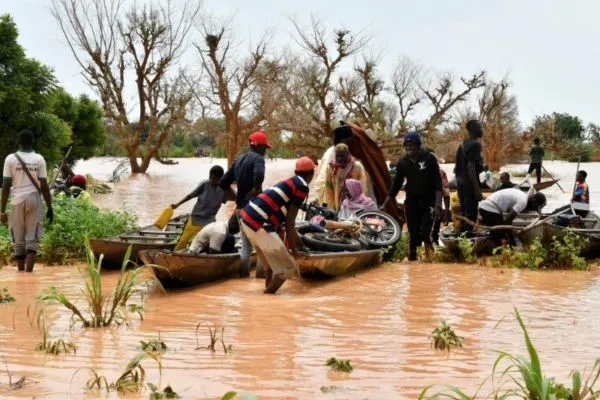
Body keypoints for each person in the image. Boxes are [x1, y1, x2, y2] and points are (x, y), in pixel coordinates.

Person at [240, 157, 315, 294]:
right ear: (312, 174)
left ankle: (266, 307)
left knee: (270, 268)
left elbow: (287, 222)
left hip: (246, 219)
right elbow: (290, 222)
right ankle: (267, 297)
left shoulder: (290, 182)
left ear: (296, 171)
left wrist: (299, 244)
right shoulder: (302, 186)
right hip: (260, 223)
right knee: (287, 268)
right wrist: (294, 250)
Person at [314, 121, 404, 223]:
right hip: (337, 200)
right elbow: (327, 185)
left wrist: (361, 201)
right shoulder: (332, 158)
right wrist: (332, 205)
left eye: (351, 140)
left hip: (358, 203)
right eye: (348, 141)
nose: (351, 143)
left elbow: (364, 186)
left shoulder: (357, 163)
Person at [382, 132, 442, 261]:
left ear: (418, 146)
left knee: (426, 234)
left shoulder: (429, 158)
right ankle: (412, 264)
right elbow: (396, 186)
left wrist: (438, 205)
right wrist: (385, 204)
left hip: (428, 203)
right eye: (407, 146)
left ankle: (431, 262)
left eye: (412, 145)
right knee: (413, 235)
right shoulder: (402, 163)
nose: (409, 148)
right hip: (411, 203)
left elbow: (438, 183)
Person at [0, 130, 53, 272]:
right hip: (34, 199)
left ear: (18, 141)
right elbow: (44, 186)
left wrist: (2, 210)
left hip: (16, 201)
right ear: (33, 142)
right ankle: (29, 275)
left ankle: (21, 275)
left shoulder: (10, 159)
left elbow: (6, 186)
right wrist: (50, 207)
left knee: (18, 241)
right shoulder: (39, 159)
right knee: (32, 240)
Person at [220, 131, 271, 277]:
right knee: (262, 244)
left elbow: (223, 183)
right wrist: (256, 191)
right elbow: (259, 175)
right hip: (255, 208)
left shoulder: (239, 160)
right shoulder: (259, 158)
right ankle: (261, 279)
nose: (266, 150)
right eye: (265, 147)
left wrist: (237, 197)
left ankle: (243, 278)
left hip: (241, 208)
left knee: (245, 247)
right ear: (259, 146)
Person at [171, 165, 226, 251]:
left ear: (220, 178)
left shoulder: (224, 189)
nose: (211, 180)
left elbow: (235, 198)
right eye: (210, 177)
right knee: (183, 240)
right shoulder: (205, 184)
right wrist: (177, 204)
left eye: (214, 178)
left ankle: (202, 257)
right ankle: (176, 254)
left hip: (210, 221)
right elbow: (190, 196)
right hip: (196, 218)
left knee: (208, 242)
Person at [478, 188, 546, 246]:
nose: (532, 209)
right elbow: (508, 220)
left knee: (500, 233)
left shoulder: (523, 195)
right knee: (505, 240)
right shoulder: (523, 202)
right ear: (534, 201)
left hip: (486, 207)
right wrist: (511, 235)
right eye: (534, 208)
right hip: (489, 209)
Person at [454, 120, 485, 232]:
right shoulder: (475, 145)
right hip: (470, 186)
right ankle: (469, 243)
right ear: (473, 129)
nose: (482, 130)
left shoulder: (462, 145)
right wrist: (477, 190)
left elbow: (456, 169)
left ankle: (462, 242)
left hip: (461, 186)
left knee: (464, 215)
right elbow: (471, 168)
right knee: (471, 216)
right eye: (480, 127)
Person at [319, 143, 367, 211]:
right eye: (337, 156)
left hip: (354, 203)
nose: (339, 159)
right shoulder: (331, 168)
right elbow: (328, 188)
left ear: (347, 154)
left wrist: (359, 204)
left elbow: (362, 187)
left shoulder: (357, 167)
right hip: (337, 203)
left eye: (342, 156)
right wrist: (331, 207)